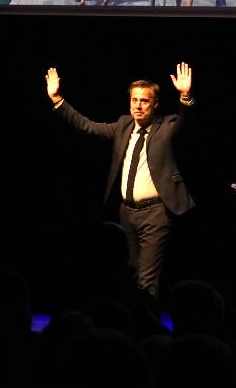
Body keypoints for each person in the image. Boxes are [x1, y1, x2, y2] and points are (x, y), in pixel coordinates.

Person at [44, 63, 197, 299]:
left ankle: (146, 320)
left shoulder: (166, 126)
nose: (138, 106)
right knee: (130, 275)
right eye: (134, 100)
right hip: (126, 213)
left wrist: (185, 96)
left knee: (146, 280)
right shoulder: (124, 126)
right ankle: (132, 317)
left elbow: (187, 121)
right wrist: (57, 99)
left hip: (156, 214)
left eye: (144, 101)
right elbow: (87, 126)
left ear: (155, 104)